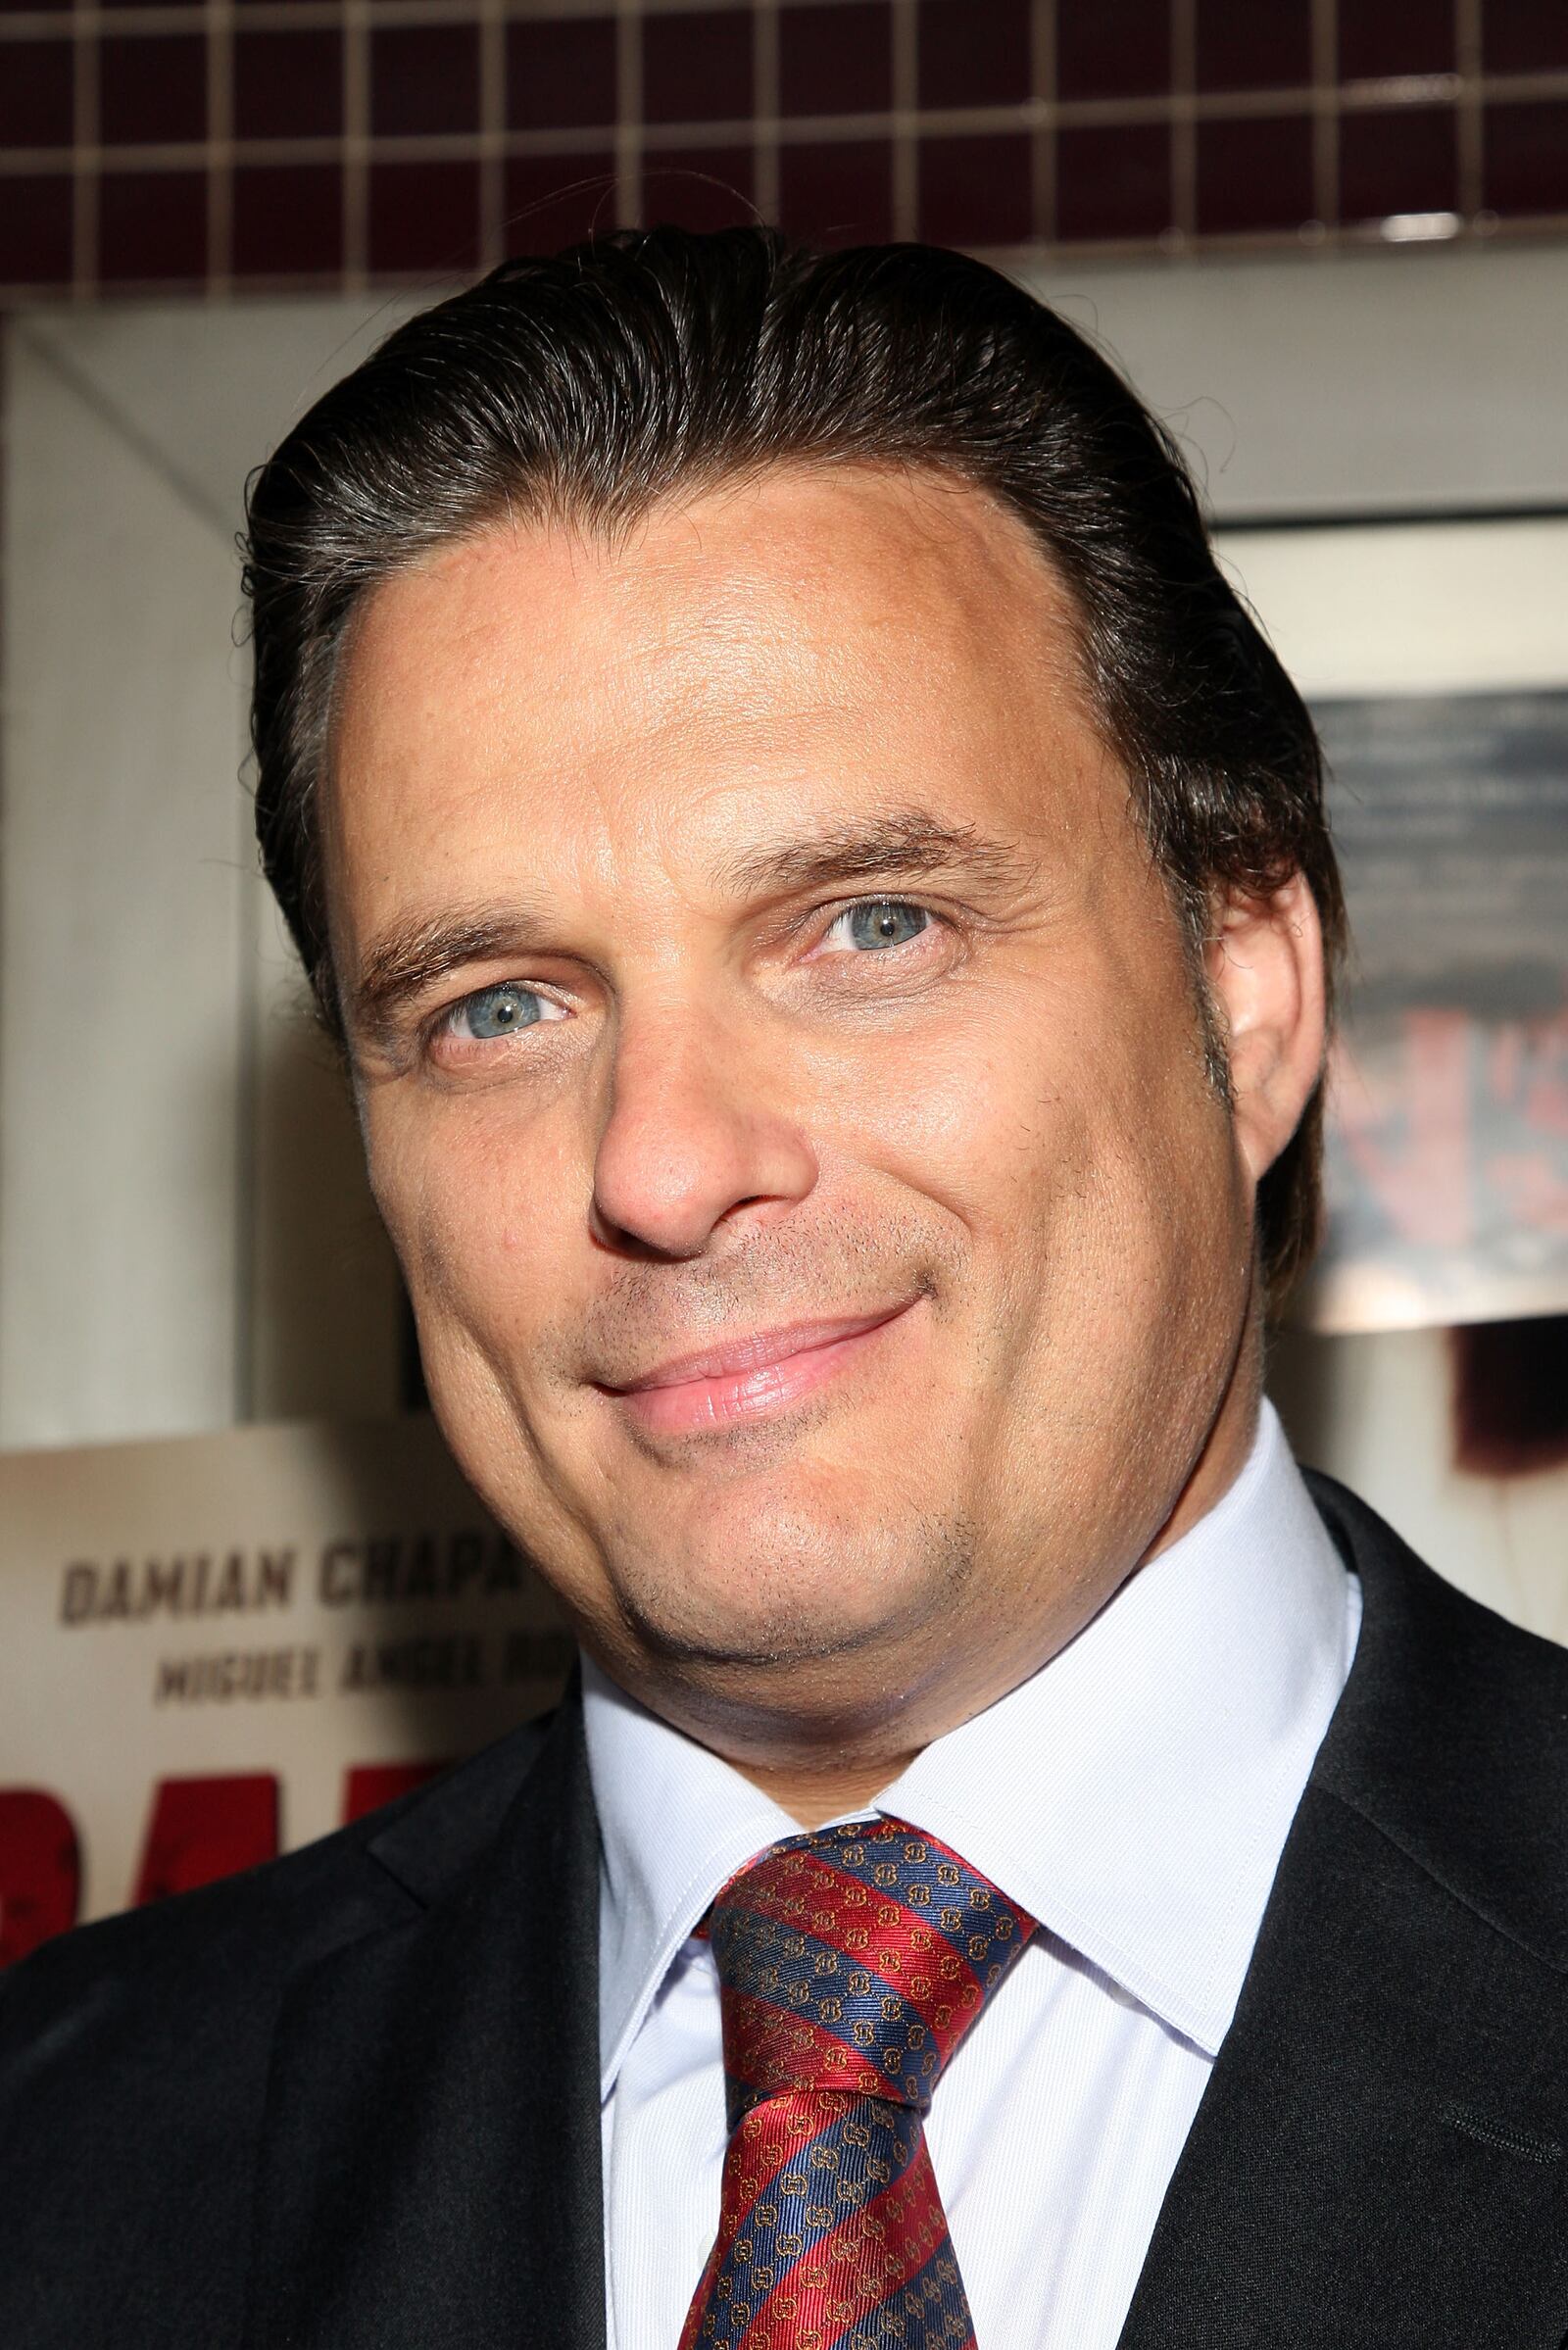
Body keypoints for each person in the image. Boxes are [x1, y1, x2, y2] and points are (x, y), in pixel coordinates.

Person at [3, 227, 1565, 2350]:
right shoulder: (66, 2160)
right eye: (499, 1003)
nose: (659, 1162)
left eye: (869, 924)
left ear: (1246, 989)